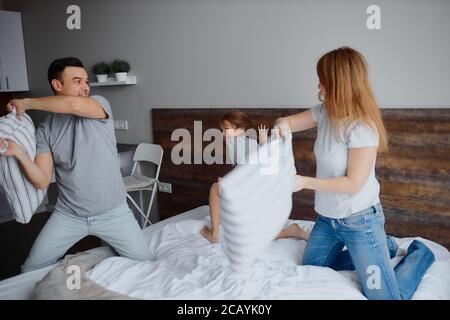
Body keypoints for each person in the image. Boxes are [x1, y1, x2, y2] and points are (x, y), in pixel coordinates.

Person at [273, 47, 435, 300]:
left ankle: (421, 253)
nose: (318, 83)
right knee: (312, 269)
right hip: (327, 220)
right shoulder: (325, 111)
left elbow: (353, 183)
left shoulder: (362, 126)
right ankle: (388, 246)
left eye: (323, 78)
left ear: (338, 82)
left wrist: (304, 181)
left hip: (359, 221)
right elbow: (289, 122)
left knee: (385, 298)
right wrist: (280, 127)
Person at [0, 57, 153, 273]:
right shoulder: (45, 131)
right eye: (78, 81)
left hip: (114, 213)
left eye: (86, 81)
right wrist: (18, 153)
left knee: (148, 265)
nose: (85, 87)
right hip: (68, 215)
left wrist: (25, 102)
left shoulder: (100, 104)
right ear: (58, 85)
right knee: (30, 270)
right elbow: (42, 180)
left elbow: (73, 104)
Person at [200, 110, 269, 243]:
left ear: (238, 128)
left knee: (215, 188)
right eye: (222, 129)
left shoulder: (234, 142)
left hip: (248, 188)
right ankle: (292, 230)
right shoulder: (252, 142)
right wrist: (263, 144)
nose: (223, 133)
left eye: (226, 129)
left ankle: (214, 235)